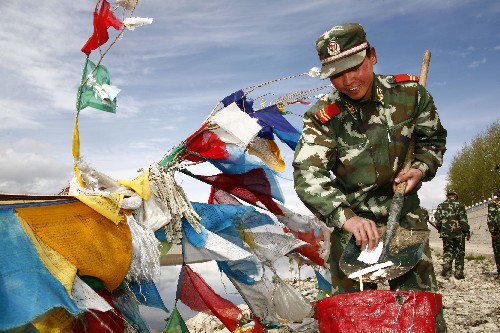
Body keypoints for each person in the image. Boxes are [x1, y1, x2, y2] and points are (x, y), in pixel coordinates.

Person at [292, 23, 447, 331]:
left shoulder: (410, 95)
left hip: (405, 220)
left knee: (422, 314)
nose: (348, 81)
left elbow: (433, 142)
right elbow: (308, 173)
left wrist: (420, 168)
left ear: (372, 56)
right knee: (348, 319)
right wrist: (344, 216)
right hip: (352, 228)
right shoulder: (323, 116)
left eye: (354, 68)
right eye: (337, 74)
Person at [434, 190, 471, 279]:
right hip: (458, 233)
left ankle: (447, 273)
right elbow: (463, 221)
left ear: (447, 196)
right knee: (459, 253)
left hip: (446, 234)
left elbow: (438, 220)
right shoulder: (459, 205)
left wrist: (440, 229)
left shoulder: (441, 206)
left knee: (447, 252)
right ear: (454, 195)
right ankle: (458, 274)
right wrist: (467, 232)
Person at [487, 188, 500, 276]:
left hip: (498, 233)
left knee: (498, 252)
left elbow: (491, 220)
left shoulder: (494, 204)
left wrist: (493, 233)